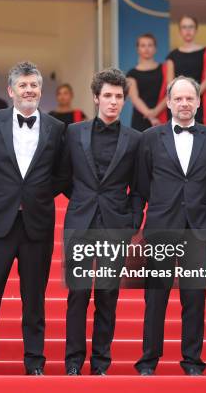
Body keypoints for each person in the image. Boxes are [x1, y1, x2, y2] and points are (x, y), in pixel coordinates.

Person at [0, 61, 64, 376]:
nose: (29, 90)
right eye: (22, 85)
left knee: (34, 299)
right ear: (11, 91)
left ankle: (35, 362)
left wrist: (40, 195)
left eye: (33, 85)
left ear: (40, 90)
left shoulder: (56, 127)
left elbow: (62, 175)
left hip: (37, 224)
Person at [134, 76, 206, 376]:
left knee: (195, 299)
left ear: (198, 102)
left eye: (190, 98)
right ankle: (149, 361)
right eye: (179, 99)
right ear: (169, 102)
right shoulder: (149, 137)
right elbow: (143, 183)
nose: (184, 103)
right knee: (155, 298)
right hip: (162, 227)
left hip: (198, 229)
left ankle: (192, 361)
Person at [55, 68, 143, 375]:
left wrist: (132, 220)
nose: (113, 102)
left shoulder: (136, 139)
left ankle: (101, 363)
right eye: (107, 95)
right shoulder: (74, 132)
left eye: (119, 97)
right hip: (80, 222)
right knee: (77, 296)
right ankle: (73, 362)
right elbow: (64, 177)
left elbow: (140, 187)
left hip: (115, 224)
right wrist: (81, 200)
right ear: (95, 98)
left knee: (107, 296)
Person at [166, 16, 206, 130]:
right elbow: (170, 83)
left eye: (191, 27)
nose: (188, 30)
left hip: (200, 103)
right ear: (180, 31)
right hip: (178, 103)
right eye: (184, 27)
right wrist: (183, 97)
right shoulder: (172, 56)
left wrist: (192, 97)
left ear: (196, 30)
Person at [127, 34, 167, 132]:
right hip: (140, 119)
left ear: (155, 49)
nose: (146, 49)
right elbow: (135, 98)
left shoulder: (165, 69)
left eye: (150, 45)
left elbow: (171, 93)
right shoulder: (131, 73)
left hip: (163, 116)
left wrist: (156, 111)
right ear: (138, 49)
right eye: (143, 45)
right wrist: (151, 116)